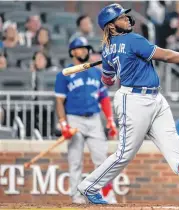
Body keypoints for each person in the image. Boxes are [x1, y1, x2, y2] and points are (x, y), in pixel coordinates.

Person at [77, 3, 179, 205]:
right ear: (111, 26)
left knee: (174, 148)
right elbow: (164, 55)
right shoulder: (132, 39)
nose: (126, 19)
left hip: (155, 98)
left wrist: (109, 62)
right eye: (121, 18)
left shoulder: (108, 48)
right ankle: (89, 186)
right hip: (134, 101)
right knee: (124, 154)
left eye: (125, 16)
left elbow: (108, 80)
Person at [54, 37, 118, 204]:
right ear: (72, 52)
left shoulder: (97, 72)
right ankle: (76, 196)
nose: (84, 51)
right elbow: (59, 101)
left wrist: (110, 120)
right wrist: (63, 124)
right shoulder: (65, 74)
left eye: (85, 48)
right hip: (74, 118)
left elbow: (104, 98)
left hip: (94, 119)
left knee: (102, 160)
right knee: (75, 160)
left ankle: (107, 195)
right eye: (80, 48)